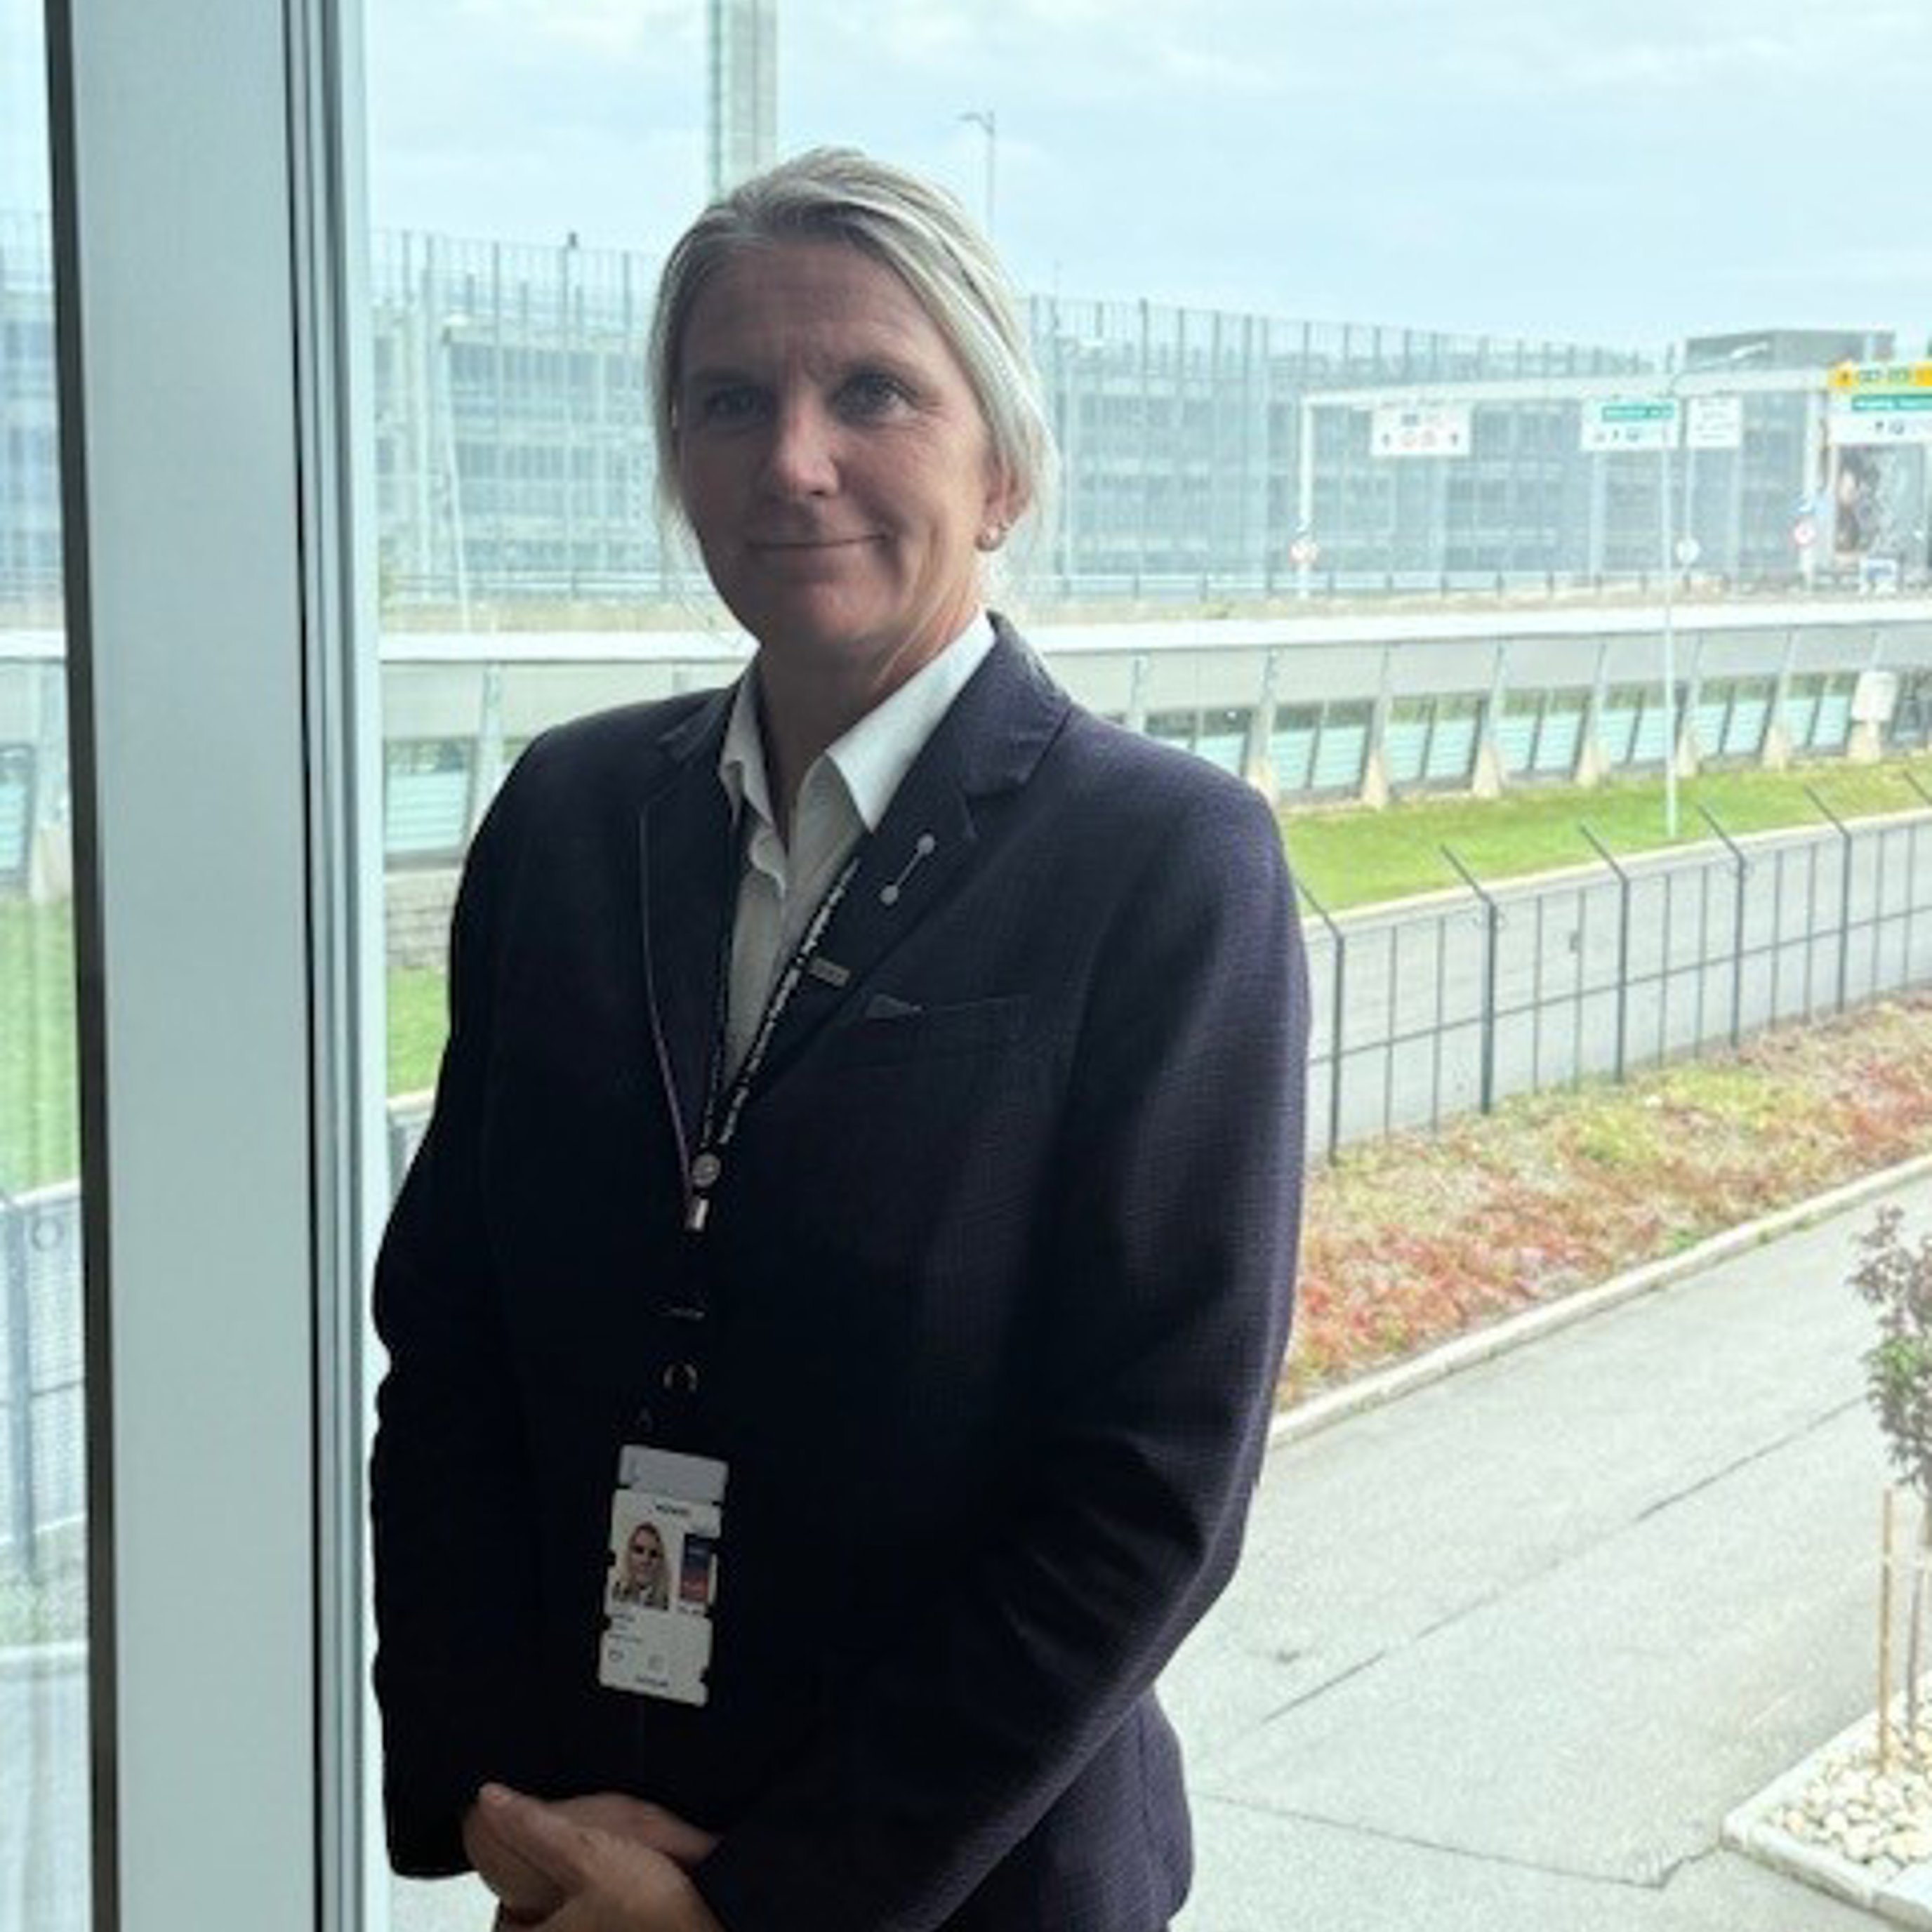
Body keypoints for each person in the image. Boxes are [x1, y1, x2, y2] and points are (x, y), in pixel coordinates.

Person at [371, 147, 1309, 1932]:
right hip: (585, 1846)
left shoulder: (1164, 868)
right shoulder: (570, 822)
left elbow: (1148, 1485)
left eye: (871, 390)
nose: (792, 460)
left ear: (1004, 464)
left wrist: (762, 1910)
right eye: (730, 401)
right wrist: (501, 1802)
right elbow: (454, 1346)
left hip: (953, 1882)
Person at [611, 1521, 671, 1610]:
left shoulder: (667, 1604)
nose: (645, 1560)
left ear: (661, 1562)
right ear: (629, 1555)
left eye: (654, 1554)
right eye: (639, 1551)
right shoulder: (614, 1593)